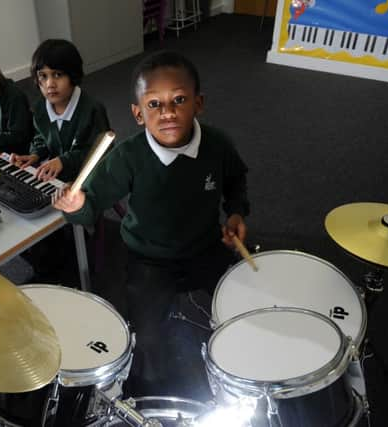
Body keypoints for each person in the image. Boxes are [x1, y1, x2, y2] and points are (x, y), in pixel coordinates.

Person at [53, 51, 250, 397]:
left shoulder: (218, 145)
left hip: (205, 247)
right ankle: (155, 391)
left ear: (198, 103)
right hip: (147, 256)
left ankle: (240, 374)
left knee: (242, 310)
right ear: (138, 113)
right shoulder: (127, 156)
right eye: (154, 104)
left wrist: (236, 212)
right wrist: (77, 206)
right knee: (147, 341)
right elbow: (91, 205)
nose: (168, 112)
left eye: (179, 100)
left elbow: (236, 179)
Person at [9, 39, 110, 182]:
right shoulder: (39, 108)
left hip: (87, 178)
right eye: (43, 76)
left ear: (73, 75)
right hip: (56, 175)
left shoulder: (93, 110)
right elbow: (41, 140)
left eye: (57, 75)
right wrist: (35, 155)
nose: (50, 84)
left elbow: (100, 153)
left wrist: (63, 161)